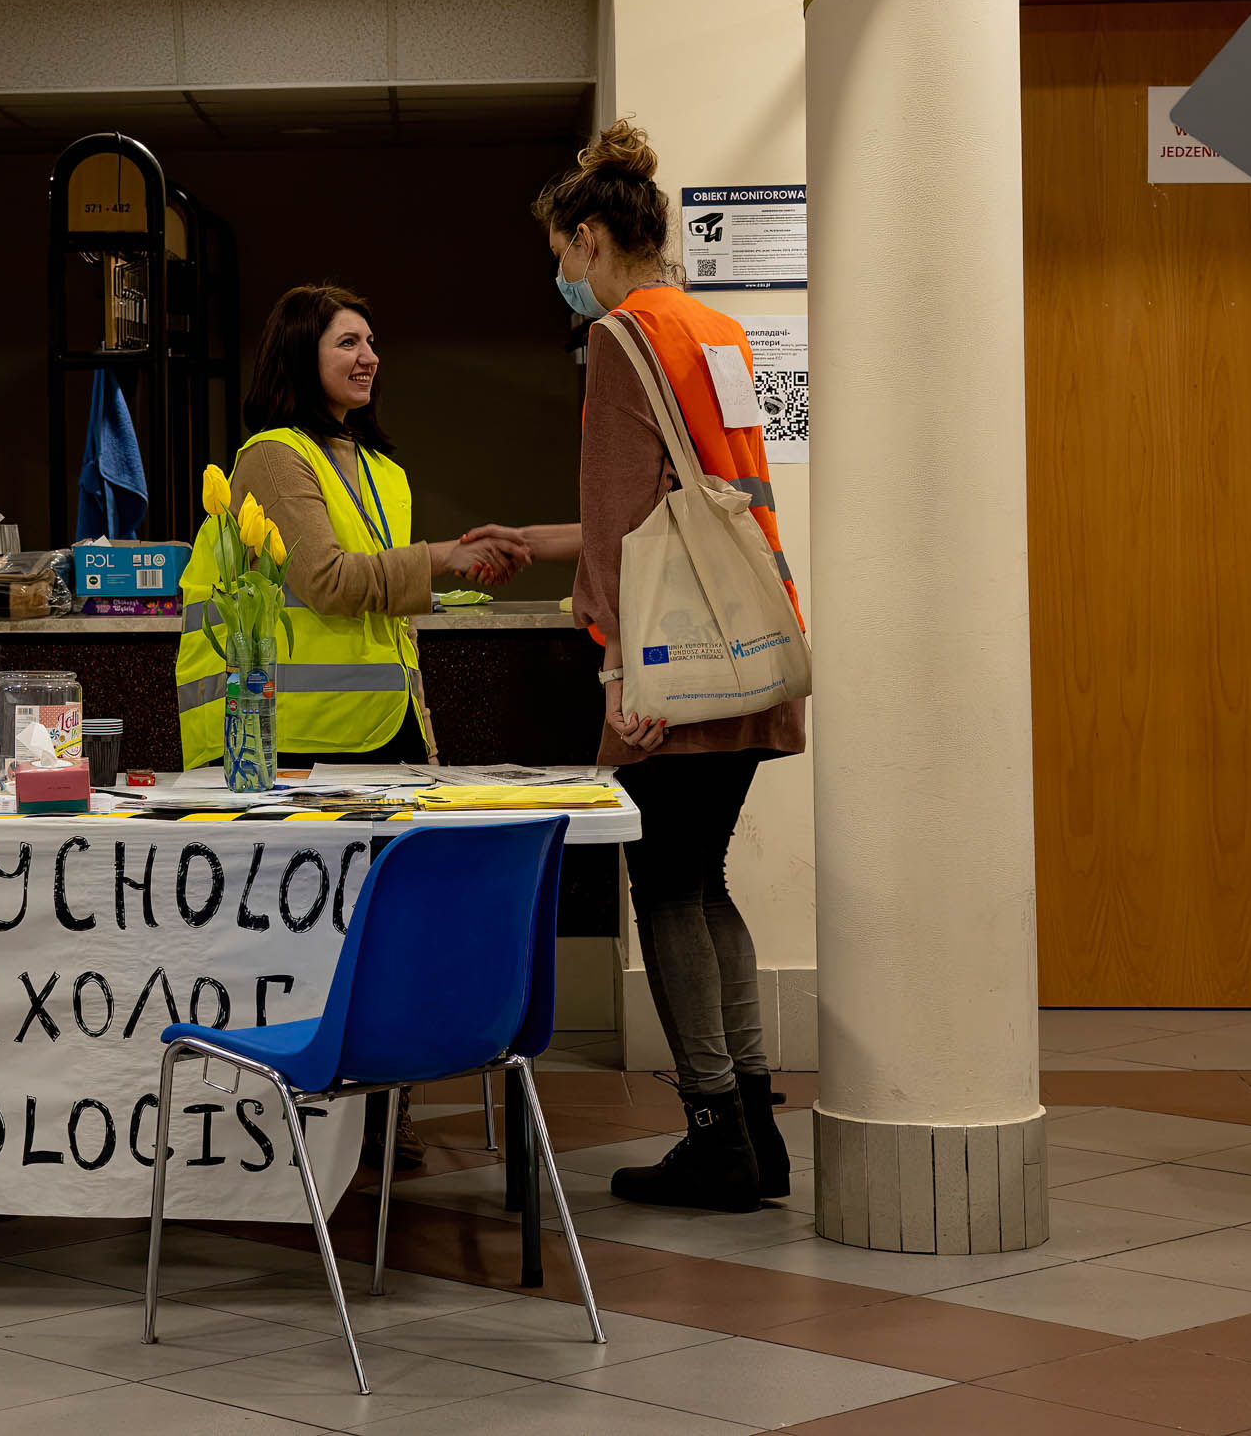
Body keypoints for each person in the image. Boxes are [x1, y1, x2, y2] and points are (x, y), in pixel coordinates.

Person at [496, 121, 807, 1214]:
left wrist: (622, 675)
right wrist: (545, 540)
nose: (558, 277)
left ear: (589, 240)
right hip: (750, 643)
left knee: (661, 883)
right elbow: (704, 498)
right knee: (703, 875)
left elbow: (625, 512)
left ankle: (715, 1130)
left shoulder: (622, 336)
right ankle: (756, 1125)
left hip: (671, 667)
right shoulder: (714, 327)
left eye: (558, 253)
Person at [175, 285, 522, 769]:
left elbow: (396, 627)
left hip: (380, 728)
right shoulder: (274, 455)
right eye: (348, 343)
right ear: (299, 355)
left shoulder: (384, 471)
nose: (370, 357)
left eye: (371, 342)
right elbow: (327, 581)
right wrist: (443, 557)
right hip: (286, 739)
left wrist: (425, 739)